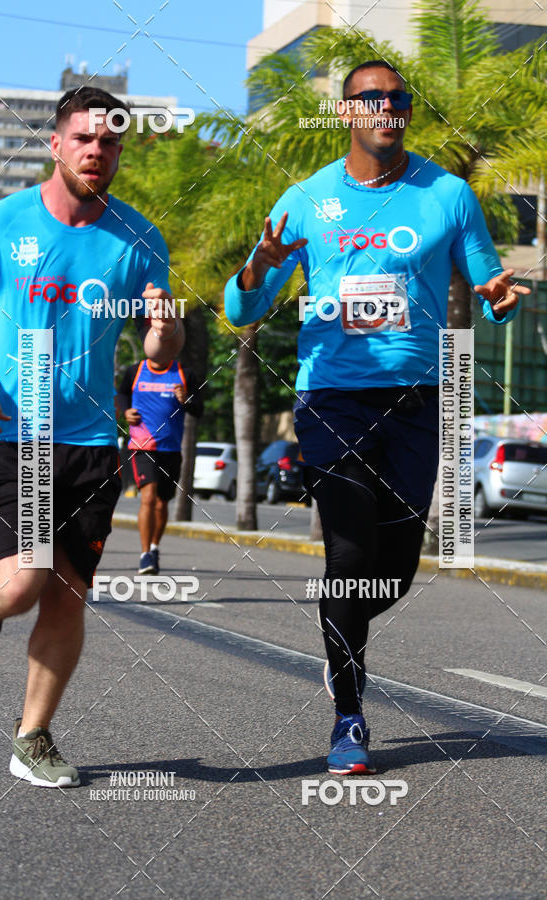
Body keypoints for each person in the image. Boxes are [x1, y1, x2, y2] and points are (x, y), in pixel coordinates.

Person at [224, 60, 529, 775]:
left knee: (392, 573)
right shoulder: (305, 200)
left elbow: (488, 283)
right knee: (350, 553)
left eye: (397, 98)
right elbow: (241, 309)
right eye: (371, 98)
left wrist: (498, 299)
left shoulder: (448, 195)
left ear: (408, 112)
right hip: (331, 396)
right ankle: (349, 713)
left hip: (416, 401)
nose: (385, 107)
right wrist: (259, 267)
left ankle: (341, 634)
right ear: (346, 111)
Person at [0, 86, 184, 787]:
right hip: (12, 430)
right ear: (56, 144)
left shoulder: (139, 239)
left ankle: (33, 738)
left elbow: (160, 351)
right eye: (83, 138)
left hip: (91, 443)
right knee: (23, 581)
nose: (95, 151)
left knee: (68, 591)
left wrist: (166, 333)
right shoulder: (1, 223)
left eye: (109, 142)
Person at [116, 355, 203, 574]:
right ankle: (145, 555)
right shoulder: (135, 370)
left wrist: (186, 400)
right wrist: (125, 411)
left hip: (171, 449)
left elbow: (199, 409)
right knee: (148, 497)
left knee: (161, 503)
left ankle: (154, 547)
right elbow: (122, 394)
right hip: (142, 446)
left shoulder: (184, 373)